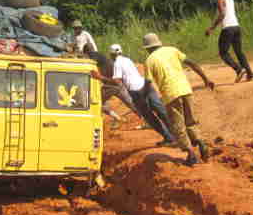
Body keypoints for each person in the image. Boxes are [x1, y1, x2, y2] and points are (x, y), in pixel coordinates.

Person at [142, 33, 215, 167]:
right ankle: (200, 142)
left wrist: (144, 97)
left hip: (171, 95)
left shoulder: (149, 61)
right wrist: (206, 79)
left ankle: (191, 155)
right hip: (186, 90)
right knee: (190, 121)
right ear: (159, 43)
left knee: (178, 126)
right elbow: (192, 63)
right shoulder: (172, 50)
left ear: (147, 48)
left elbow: (148, 83)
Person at [107, 43, 175, 146]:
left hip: (136, 92)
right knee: (161, 111)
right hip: (146, 85)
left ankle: (169, 138)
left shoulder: (117, 63)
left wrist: (100, 77)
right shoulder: (128, 60)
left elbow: (117, 81)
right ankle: (178, 135)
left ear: (111, 55)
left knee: (150, 117)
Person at [205, 0, 253, 83]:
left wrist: (211, 28)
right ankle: (249, 73)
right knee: (239, 52)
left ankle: (239, 70)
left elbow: (222, 14)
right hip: (236, 27)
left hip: (228, 29)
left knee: (223, 53)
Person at [84, 44, 134, 127]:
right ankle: (145, 117)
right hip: (114, 84)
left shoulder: (93, 55)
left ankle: (117, 118)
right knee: (130, 103)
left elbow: (89, 64)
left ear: (86, 52)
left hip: (112, 84)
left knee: (96, 102)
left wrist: (99, 77)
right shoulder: (101, 56)